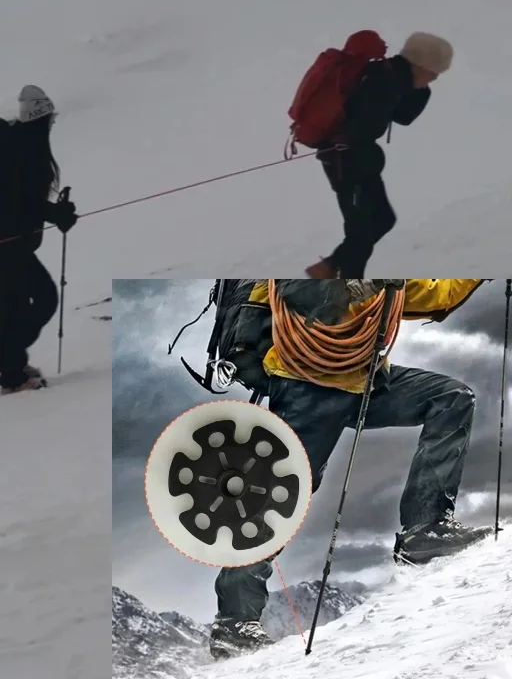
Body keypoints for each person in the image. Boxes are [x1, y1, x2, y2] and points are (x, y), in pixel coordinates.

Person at [208, 278, 491, 660]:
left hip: (366, 383)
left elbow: (436, 295)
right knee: (278, 494)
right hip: (305, 385)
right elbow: (304, 293)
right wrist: (368, 284)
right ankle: (234, 624)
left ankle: (424, 531)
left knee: (451, 398)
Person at [0, 85, 78, 394]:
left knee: (17, 304)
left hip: (9, 240)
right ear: (41, 118)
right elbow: (24, 201)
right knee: (39, 300)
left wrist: (56, 213)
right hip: (8, 241)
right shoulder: (24, 151)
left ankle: (12, 364)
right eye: (50, 118)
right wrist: (58, 214)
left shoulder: (17, 147)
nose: (52, 124)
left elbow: (22, 200)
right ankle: (12, 373)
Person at [306, 32, 453, 279]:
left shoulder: (395, 79)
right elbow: (362, 129)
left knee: (383, 219)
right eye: (433, 72)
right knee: (360, 236)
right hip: (345, 163)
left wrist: (420, 90)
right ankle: (347, 291)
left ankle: (330, 266)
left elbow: (403, 117)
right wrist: (357, 150)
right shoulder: (383, 81)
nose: (435, 77)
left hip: (360, 163)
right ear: (419, 64)